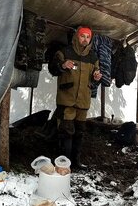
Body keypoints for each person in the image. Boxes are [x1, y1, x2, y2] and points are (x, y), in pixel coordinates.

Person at [50, 26, 102, 169]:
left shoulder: (93, 57)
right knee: (66, 132)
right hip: (66, 100)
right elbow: (52, 69)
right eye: (82, 36)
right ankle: (63, 164)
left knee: (79, 133)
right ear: (76, 37)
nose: (85, 39)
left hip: (83, 102)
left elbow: (95, 76)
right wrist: (62, 64)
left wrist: (96, 77)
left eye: (88, 37)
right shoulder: (64, 52)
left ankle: (76, 162)